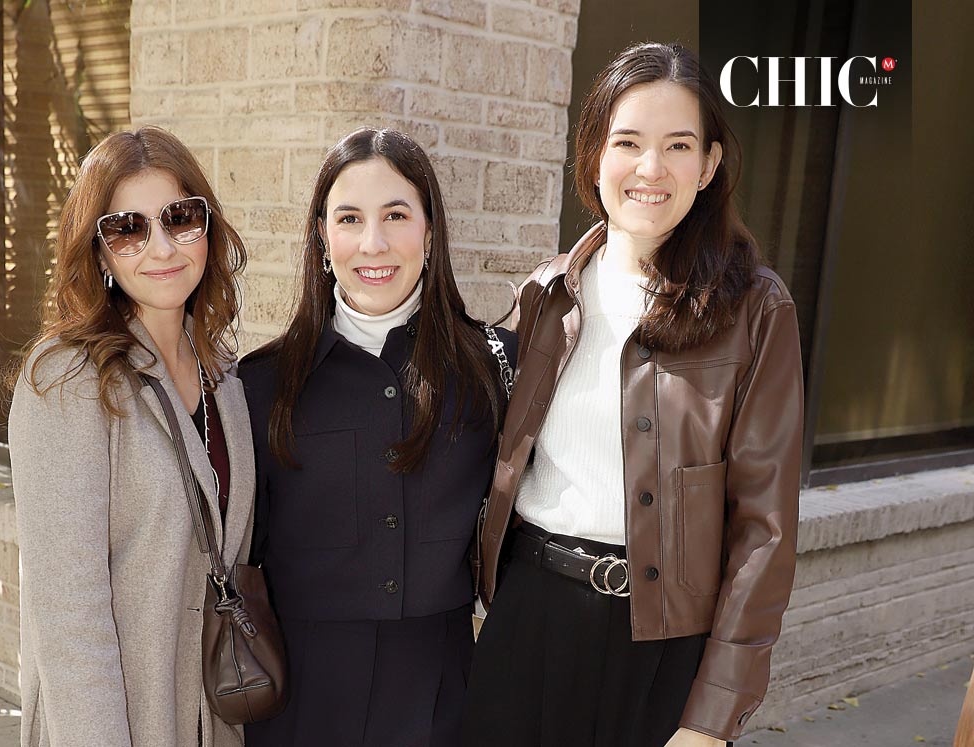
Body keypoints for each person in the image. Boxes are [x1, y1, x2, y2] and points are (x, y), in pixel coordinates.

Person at [462, 42, 804, 747]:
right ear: (594, 155)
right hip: (530, 621)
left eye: (678, 145)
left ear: (709, 165)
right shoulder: (547, 295)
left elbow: (764, 531)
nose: (651, 168)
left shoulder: (755, 309)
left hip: (664, 649)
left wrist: (712, 716)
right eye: (628, 142)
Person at [239, 127, 516, 747]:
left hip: (443, 694)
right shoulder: (260, 386)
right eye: (349, 217)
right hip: (299, 700)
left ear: (429, 228)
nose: (374, 243)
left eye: (396, 214)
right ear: (321, 233)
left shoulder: (494, 369)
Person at [8, 126, 252, 747]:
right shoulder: (66, 380)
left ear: (207, 225)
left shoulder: (222, 375)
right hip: (116, 723)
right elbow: (69, 615)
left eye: (180, 218)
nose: (162, 247)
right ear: (98, 250)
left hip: (209, 717)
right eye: (128, 228)